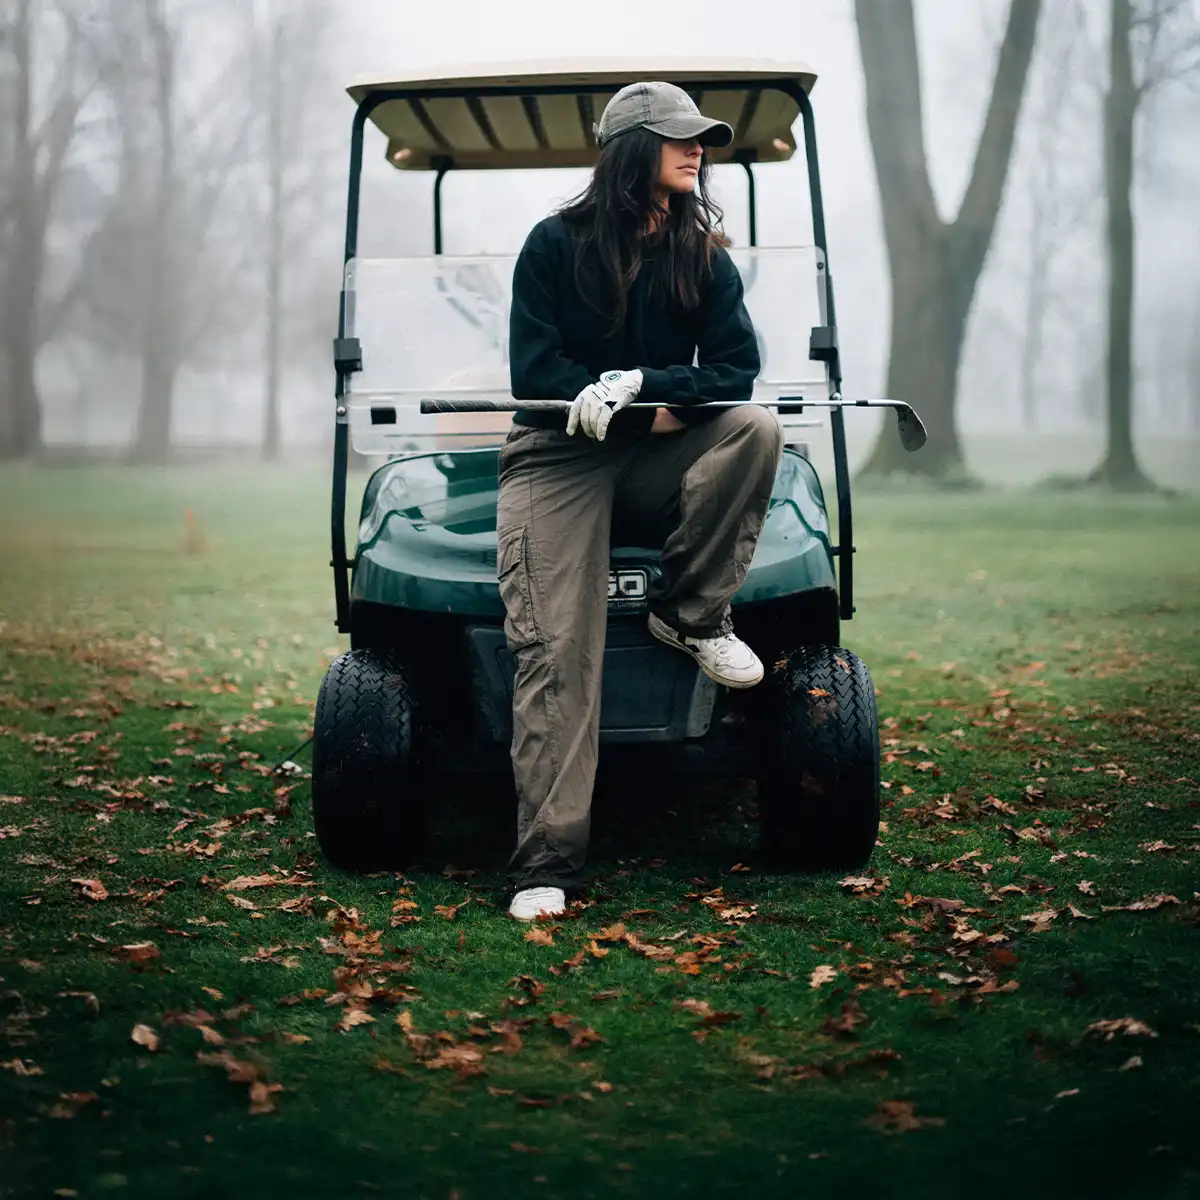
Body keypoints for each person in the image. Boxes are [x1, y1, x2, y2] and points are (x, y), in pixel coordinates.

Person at [499, 81, 783, 921]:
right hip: (560, 455)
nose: (698, 149)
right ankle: (545, 862)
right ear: (631, 150)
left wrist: (645, 386)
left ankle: (691, 613)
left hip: (654, 446)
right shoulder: (554, 243)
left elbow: (735, 372)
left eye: (702, 139)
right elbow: (533, 367)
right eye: (678, 138)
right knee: (558, 654)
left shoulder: (703, 254)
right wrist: (588, 393)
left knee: (755, 429)